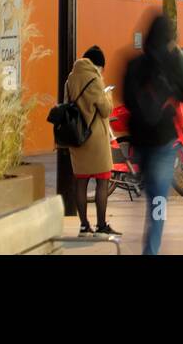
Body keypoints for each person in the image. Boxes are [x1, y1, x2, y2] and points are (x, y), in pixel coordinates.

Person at [124, 14, 183, 255]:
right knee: (159, 200)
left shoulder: (134, 64)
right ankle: (151, 248)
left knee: (153, 195)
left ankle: (151, 235)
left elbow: (127, 99)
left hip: (140, 143)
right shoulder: (172, 63)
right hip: (163, 141)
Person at [65, 45, 119, 237]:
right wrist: (108, 94)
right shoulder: (95, 79)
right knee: (102, 181)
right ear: (98, 65)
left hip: (77, 138)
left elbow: (68, 106)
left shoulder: (71, 78)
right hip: (95, 139)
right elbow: (105, 109)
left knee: (81, 182)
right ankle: (101, 226)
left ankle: (84, 226)